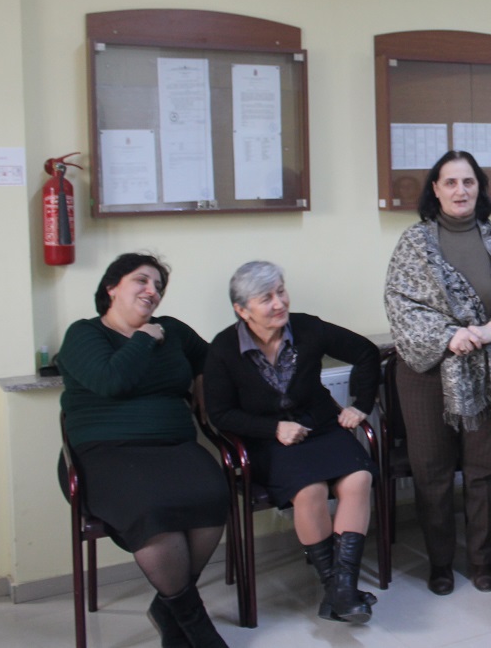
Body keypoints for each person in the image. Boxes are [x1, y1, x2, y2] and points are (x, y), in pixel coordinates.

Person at [383, 150, 491, 595]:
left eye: (469, 182)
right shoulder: (414, 243)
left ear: (480, 188)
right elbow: (400, 305)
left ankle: (481, 561)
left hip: (489, 368)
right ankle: (440, 564)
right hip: (427, 372)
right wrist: (448, 336)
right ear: (435, 190)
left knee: (483, 469)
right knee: (432, 472)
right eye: (451, 182)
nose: (461, 190)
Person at [56, 254, 229, 648]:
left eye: (159, 286)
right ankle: (195, 625)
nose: (153, 291)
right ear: (111, 287)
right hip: (103, 454)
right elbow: (111, 381)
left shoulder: (173, 330)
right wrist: (144, 338)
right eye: (141, 280)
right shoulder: (84, 333)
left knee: (213, 495)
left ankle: (168, 610)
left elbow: (210, 356)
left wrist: (203, 382)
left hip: (174, 448)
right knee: (153, 511)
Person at [203, 261, 381, 624]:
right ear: (242, 310)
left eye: (281, 291)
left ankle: (342, 590)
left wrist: (360, 405)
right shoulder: (223, 348)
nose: (279, 302)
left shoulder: (308, 328)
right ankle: (339, 591)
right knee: (310, 490)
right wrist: (274, 429)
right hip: (268, 442)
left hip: (321, 427)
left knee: (359, 478)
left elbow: (366, 352)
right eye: (266, 298)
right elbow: (220, 414)